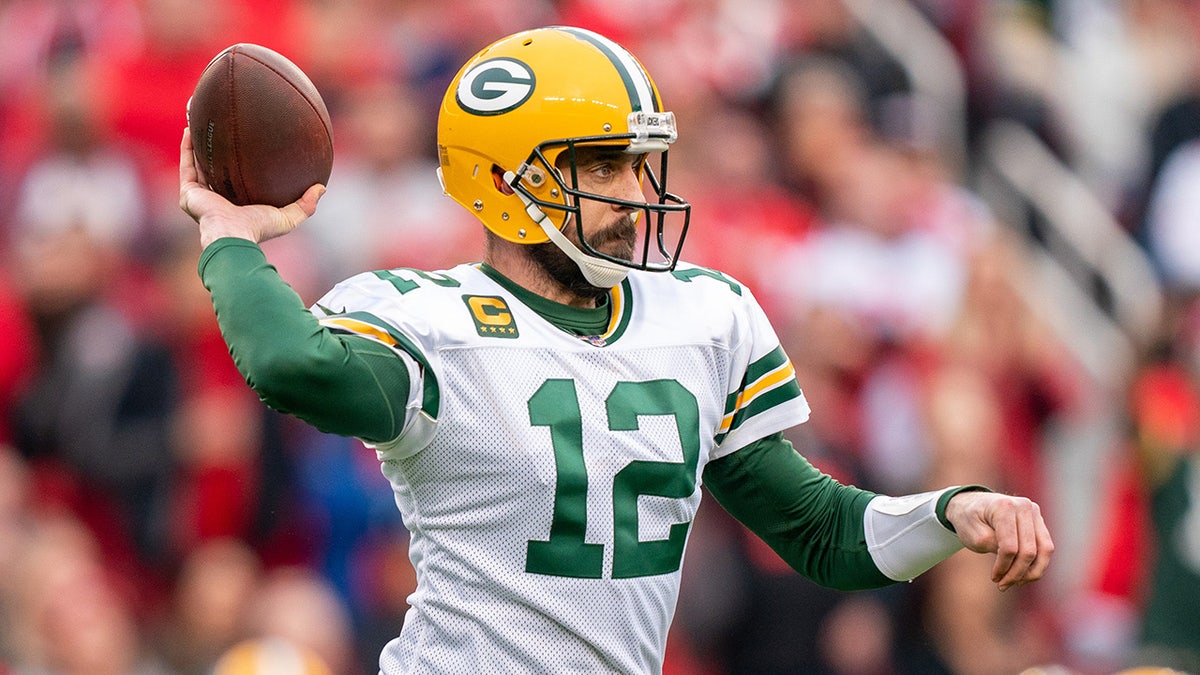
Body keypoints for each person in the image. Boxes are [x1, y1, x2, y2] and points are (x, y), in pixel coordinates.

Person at [179, 25, 1054, 675]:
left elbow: (821, 532)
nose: (637, 194)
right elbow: (292, 365)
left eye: (642, 163)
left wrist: (946, 512)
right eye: (601, 165)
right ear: (503, 181)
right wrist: (229, 237)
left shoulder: (703, 318)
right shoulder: (431, 320)